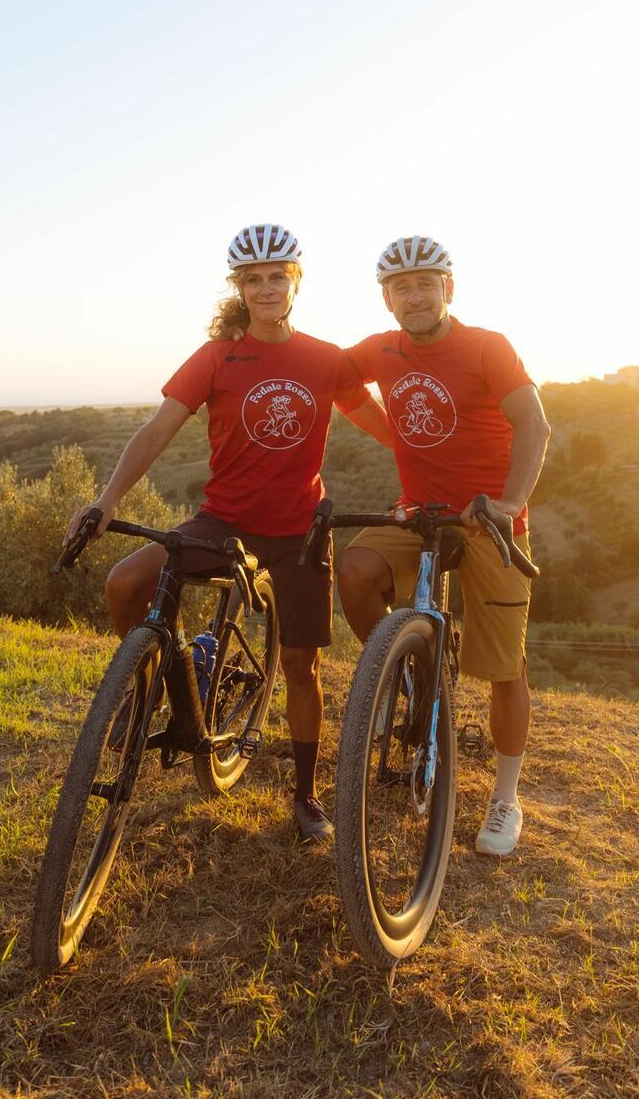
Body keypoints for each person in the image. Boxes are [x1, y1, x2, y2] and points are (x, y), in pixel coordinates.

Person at [65, 224, 391, 843]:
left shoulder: (327, 359)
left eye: (277, 276)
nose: (266, 288)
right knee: (124, 583)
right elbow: (156, 430)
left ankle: (305, 794)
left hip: (299, 529)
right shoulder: (217, 355)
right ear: (239, 289)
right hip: (223, 520)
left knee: (302, 666)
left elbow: (381, 423)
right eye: (253, 279)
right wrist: (107, 500)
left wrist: (437, 476)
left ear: (295, 282)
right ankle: (155, 681)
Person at [337, 237, 551, 857]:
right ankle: (400, 676)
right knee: (354, 569)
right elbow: (340, 387)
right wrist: (394, 435)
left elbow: (534, 426)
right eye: (401, 287)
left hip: (489, 520)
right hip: (422, 516)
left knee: (505, 667)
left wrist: (508, 506)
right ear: (386, 299)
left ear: (448, 290)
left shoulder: (487, 346)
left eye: (426, 284)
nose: (414, 296)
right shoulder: (379, 349)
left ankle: (507, 797)